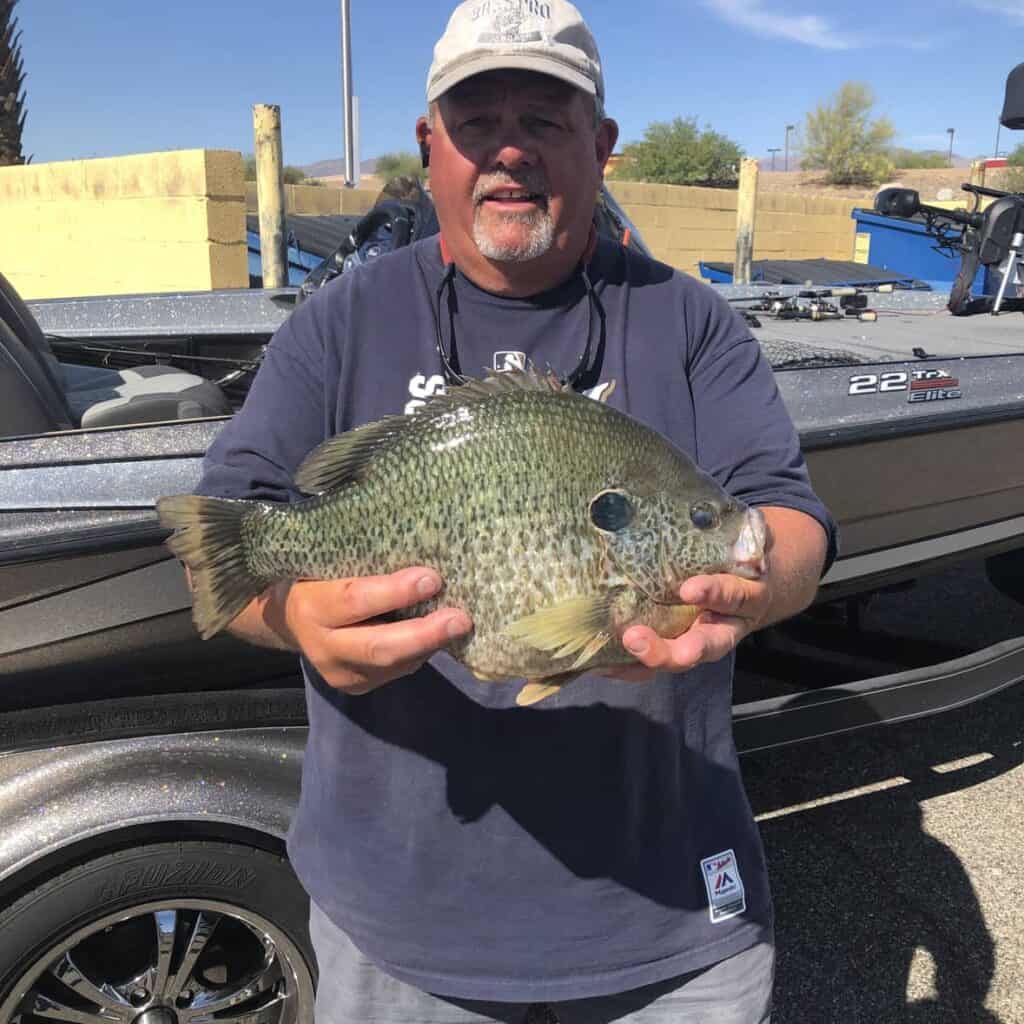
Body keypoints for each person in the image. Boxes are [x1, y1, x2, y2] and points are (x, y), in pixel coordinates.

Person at [195, 1, 836, 1020]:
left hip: (669, 926)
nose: (509, 151)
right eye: (475, 121)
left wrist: (750, 590)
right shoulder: (338, 322)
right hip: (395, 928)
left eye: (544, 120)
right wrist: (294, 621)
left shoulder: (690, 320)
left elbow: (783, 520)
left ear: (601, 144)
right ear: (429, 147)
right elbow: (228, 539)